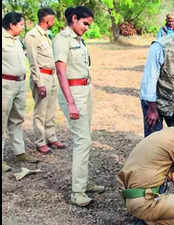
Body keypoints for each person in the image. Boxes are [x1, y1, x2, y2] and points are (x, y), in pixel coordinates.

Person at [53, 6, 104, 207]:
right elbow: (60, 73)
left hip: (84, 90)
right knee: (82, 141)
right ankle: (77, 192)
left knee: (85, 139)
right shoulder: (62, 39)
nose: (87, 28)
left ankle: (83, 182)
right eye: (85, 23)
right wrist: (71, 103)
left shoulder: (78, 40)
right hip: (73, 94)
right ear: (74, 18)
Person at [24, 7, 66, 154]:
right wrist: (39, 83)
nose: (54, 21)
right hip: (41, 77)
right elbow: (33, 62)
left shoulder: (47, 35)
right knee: (40, 112)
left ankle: (51, 137)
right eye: (53, 19)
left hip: (52, 76)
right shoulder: (32, 36)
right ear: (46, 19)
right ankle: (40, 141)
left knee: (51, 110)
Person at [2, 12, 39, 173]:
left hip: (19, 84)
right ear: (11, 25)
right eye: (21, 24)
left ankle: (20, 152)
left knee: (17, 119)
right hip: (5, 84)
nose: (23, 27)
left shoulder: (17, 40)